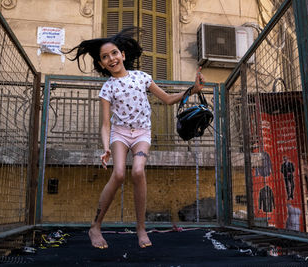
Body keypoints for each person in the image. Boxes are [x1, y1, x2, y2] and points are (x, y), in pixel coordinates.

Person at [66, 27, 205, 249]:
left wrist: (194, 90)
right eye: (104, 57)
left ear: (122, 54)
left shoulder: (142, 77)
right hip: (120, 134)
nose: (110, 58)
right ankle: (95, 226)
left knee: (138, 171)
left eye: (113, 53)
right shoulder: (107, 88)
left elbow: (169, 99)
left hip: (141, 133)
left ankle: (141, 228)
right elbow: (105, 124)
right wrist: (105, 148)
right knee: (119, 174)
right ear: (102, 64)